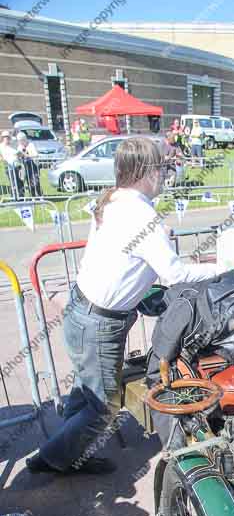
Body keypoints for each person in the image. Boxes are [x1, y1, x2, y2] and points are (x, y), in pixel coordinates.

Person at [26, 137, 216, 476]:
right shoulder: (141, 215)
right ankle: (54, 457)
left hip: (87, 312)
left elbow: (126, 255)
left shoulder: (115, 200)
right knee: (104, 407)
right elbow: (176, 273)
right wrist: (223, 265)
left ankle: (71, 451)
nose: (166, 174)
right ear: (146, 171)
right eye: (162, 167)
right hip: (99, 322)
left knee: (86, 392)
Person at [16, 132, 42, 197]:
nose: (20, 143)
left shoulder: (31, 145)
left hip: (34, 165)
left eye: (21, 141)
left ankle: (40, 196)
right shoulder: (19, 147)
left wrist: (26, 155)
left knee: (36, 182)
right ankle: (33, 196)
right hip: (25, 166)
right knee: (29, 182)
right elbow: (19, 156)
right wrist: (19, 156)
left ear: (24, 139)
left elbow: (35, 155)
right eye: (19, 141)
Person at [0, 130, 24, 199]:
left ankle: (21, 197)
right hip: (9, 167)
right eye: (5, 137)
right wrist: (3, 160)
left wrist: (20, 154)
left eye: (8, 137)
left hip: (18, 166)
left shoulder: (13, 145)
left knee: (20, 182)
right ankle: (14, 197)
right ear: (2, 138)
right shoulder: (1, 146)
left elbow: (19, 153)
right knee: (13, 183)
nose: (6, 138)